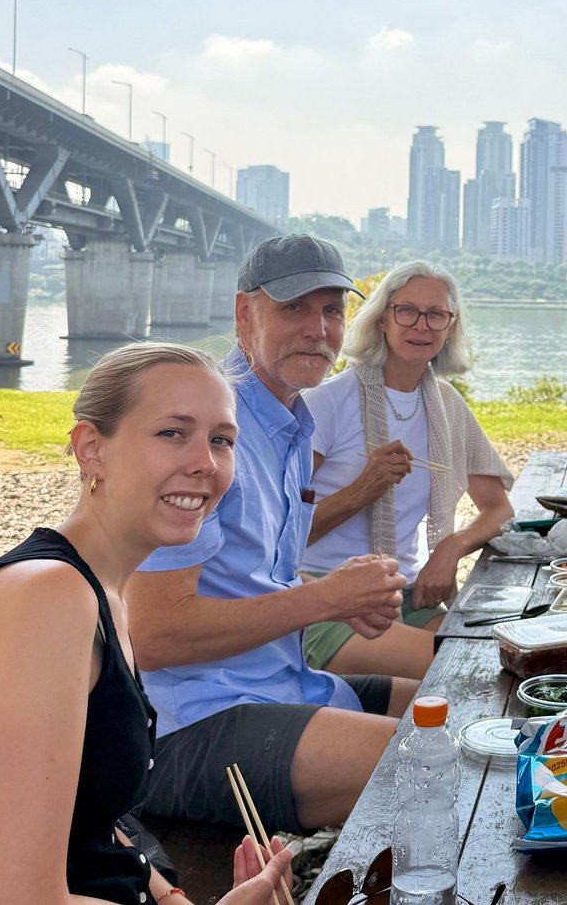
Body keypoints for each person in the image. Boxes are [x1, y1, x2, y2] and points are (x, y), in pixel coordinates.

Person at [0, 342, 293, 904]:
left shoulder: (102, 592)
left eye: (222, 440)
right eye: (172, 432)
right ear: (91, 449)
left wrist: (173, 899)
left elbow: (89, 811)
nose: (206, 463)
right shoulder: (47, 600)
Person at [125, 235, 416, 834]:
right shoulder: (209, 428)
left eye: (332, 310)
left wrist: (340, 594)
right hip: (187, 725)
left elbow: (250, 575)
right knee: (433, 766)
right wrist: (324, 600)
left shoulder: (289, 424)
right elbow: (154, 635)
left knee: (459, 711)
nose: (317, 329)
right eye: (293, 308)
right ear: (244, 314)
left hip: (279, 683)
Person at [299, 260, 513, 679]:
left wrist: (449, 549)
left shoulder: (446, 405)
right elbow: (278, 534)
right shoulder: (327, 402)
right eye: (407, 311)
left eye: (436, 314)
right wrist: (363, 489)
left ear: (451, 326)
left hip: (405, 593)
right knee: (462, 670)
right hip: (323, 596)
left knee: (498, 656)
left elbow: (499, 508)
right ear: (382, 319)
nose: (421, 325)